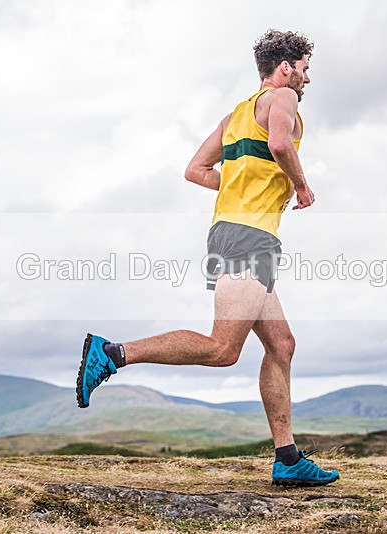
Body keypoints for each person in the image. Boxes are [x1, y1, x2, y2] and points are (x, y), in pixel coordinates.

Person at [76, 29, 338, 487]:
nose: (307, 79)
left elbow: (195, 170)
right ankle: (113, 353)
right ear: (285, 68)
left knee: (282, 345)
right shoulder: (283, 99)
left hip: (233, 232)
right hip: (249, 237)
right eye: (304, 69)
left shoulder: (235, 116)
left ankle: (288, 458)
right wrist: (300, 186)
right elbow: (280, 145)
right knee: (223, 348)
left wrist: (242, 187)